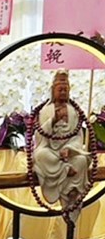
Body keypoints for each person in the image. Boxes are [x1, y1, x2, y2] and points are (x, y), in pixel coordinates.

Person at [31, 70, 93, 222]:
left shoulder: (74, 112)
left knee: (81, 160)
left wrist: (69, 149)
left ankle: (72, 193)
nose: (63, 92)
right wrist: (53, 120)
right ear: (53, 91)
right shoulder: (45, 110)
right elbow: (39, 135)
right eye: (60, 89)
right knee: (40, 155)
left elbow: (77, 137)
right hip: (50, 151)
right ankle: (65, 170)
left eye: (66, 89)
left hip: (69, 152)